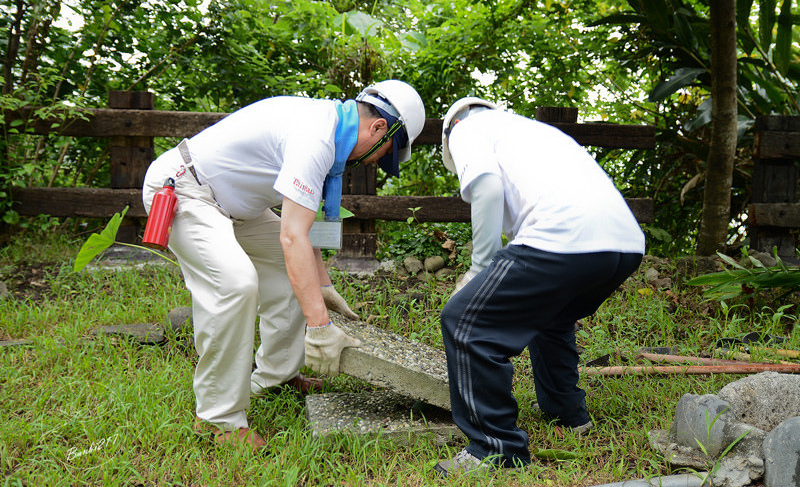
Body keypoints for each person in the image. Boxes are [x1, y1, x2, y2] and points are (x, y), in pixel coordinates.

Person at [142, 80, 426, 449]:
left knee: (293, 273)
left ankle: (275, 376)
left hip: (233, 207)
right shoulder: (316, 138)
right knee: (236, 284)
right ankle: (218, 419)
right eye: (383, 153)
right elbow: (292, 237)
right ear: (378, 128)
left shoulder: (330, 133)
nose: (374, 162)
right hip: (186, 190)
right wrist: (320, 327)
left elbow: (303, 237)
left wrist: (322, 288)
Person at [434, 97, 645, 476]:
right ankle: (567, 411)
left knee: (464, 323)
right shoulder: (535, 133)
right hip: (625, 244)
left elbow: (485, 190)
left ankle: (494, 450)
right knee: (551, 316)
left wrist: (478, 270)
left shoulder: (467, 129)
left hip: (563, 236)